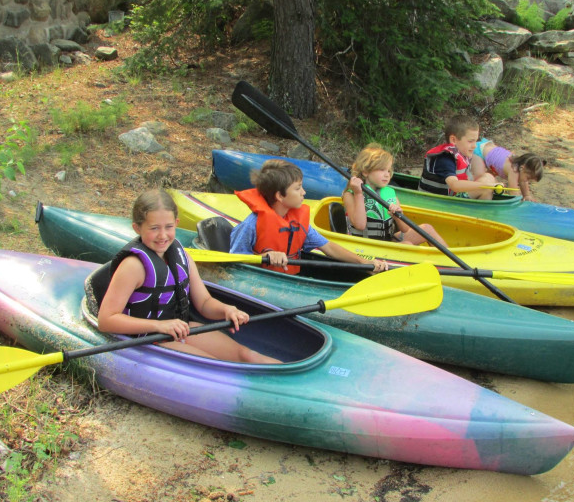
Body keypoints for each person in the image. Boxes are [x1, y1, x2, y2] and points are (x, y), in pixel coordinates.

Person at [98, 189, 280, 364]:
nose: (162, 235)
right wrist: (159, 326)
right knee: (217, 367)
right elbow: (106, 320)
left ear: (176, 223)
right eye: (154, 228)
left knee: (248, 356)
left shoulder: (182, 256)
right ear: (137, 228)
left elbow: (204, 303)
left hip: (181, 328)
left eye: (168, 227)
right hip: (150, 337)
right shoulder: (133, 266)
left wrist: (226, 310)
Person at [229, 158, 389, 275]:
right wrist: (265, 257)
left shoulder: (297, 223)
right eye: (298, 189)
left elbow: (329, 247)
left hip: (289, 279)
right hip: (262, 282)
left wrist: (365, 263)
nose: (304, 192)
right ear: (280, 196)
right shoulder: (252, 225)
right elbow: (235, 259)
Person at [343, 143, 448, 247]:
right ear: (365, 172)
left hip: (386, 242)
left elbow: (405, 229)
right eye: (381, 170)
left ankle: (450, 262)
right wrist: (358, 194)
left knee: (427, 229)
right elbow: (360, 225)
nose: (387, 175)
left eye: (388, 170)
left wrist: (397, 216)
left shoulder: (389, 193)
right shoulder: (351, 195)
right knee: (407, 245)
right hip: (366, 246)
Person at [418, 115, 497, 199]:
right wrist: (485, 185)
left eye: (476, 141)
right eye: (470, 141)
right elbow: (454, 185)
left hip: (452, 197)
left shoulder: (463, 153)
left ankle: (482, 208)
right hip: (437, 201)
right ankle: (481, 211)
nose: (474, 146)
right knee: (485, 188)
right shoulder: (445, 158)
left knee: (488, 177)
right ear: (454, 140)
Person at [470, 139, 545, 202]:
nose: (527, 181)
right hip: (480, 151)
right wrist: (517, 203)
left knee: (490, 179)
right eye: (528, 178)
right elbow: (513, 191)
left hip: (488, 148)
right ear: (522, 168)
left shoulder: (521, 169)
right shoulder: (514, 171)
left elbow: (523, 182)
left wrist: (526, 195)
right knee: (479, 175)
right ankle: (470, 193)